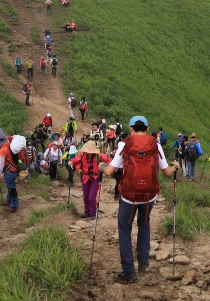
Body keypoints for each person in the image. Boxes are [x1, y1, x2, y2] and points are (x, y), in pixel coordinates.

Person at [103, 116, 181, 283]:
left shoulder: (125, 144)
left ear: (131, 128)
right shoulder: (156, 144)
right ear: (147, 127)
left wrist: (102, 166)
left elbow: (110, 171)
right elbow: (167, 172)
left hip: (129, 196)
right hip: (148, 196)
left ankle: (129, 272)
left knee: (124, 230)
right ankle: (143, 263)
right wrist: (176, 166)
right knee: (144, 224)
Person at [69, 142, 111, 218]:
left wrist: (109, 168)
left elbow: (108, 160)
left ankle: (94, 214)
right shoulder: (82, 154)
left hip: (95, 178)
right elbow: (76, 159)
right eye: (88, 152)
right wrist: (71, 162)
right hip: (85, 177)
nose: (89, 153)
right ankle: (87, 212)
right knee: (85, 197)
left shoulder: (98, 155)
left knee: (91, 197)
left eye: (91, 152)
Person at [0, 128, 22, 213]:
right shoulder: (8, 143)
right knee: (9, 186)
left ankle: (14, 206)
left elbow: (1, 164)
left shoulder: (3, 149)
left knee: (11, 188)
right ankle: (9, 201)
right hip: (12, 169)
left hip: (9, 171)